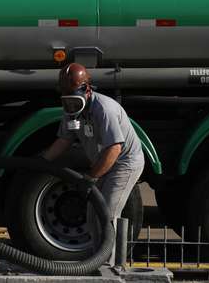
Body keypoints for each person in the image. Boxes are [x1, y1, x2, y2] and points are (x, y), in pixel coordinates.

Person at [42, 63, 144, 263]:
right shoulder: (71, 110)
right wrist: (41, 161)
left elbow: (115, 148)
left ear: (87, 90)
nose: (70, 105)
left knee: (107, 214)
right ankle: (98, 262)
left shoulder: (104, 109)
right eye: (66, 99)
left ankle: (112, 266)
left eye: (73, 98)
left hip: (124, 162)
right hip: (103, 162)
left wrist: (90, 177)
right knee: (93, 215)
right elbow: (65, 139)